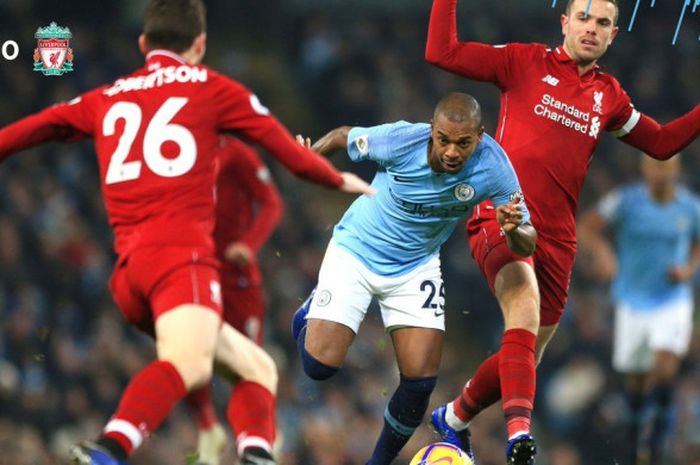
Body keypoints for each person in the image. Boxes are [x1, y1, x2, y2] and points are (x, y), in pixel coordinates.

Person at [0, 1, 373, 465]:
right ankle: (108, 449)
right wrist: (338, 179)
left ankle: (256, 453)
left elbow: (41, 126)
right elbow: (286, 150)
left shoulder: (106, 96)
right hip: (182, 262)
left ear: (143, 44)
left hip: (130, 275)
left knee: (257, 367)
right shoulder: (212, 88)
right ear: (199, 44)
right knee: (189, 364)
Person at [425, 0, 700, 463]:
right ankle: (518, 436)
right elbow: (442, 52)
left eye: (603, 23)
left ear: (614, 35)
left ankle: (453, 418)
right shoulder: (522, 61)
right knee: (524, 311)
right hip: (503, 214)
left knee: (527, 355)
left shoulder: (609, 96)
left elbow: (662, 142)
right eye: (584, 18)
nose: (591, 29)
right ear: (565, 23)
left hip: (559, 237)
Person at [291, 92, 537, 465]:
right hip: (357, 250)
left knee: (420, 384)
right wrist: (306, 160)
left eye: (463, 143)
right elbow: (344, 135)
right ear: (432, 132)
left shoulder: (495, 166)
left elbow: (526, 242)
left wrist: (514, 230)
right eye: (444, 139)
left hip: (415, 267)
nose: (452, 151)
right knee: (318, 367)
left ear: (480, 136)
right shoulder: (401, 139)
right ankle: (311, 308)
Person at [578, 155, 700, 465]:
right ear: (644, 168)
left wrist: (689, 268)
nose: (661, 171)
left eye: (667, 165)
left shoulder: (689, 207)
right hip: (632, 302)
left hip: (672, 300)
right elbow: (588, 227)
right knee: (636, 381)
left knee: (664, 366)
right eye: (655, 165)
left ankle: (657, 442)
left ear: (677, 169)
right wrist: (604, 253)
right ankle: (634, 442)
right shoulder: (625, 201)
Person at [186, 136, 284, 465]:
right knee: (190, 357)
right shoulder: (179, 149)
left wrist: (249, 244)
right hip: (196, 271)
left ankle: (257, 438)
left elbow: (272, 203)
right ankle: (209, 429)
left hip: (236, 278)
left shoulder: (236, 153)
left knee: (246, 366)